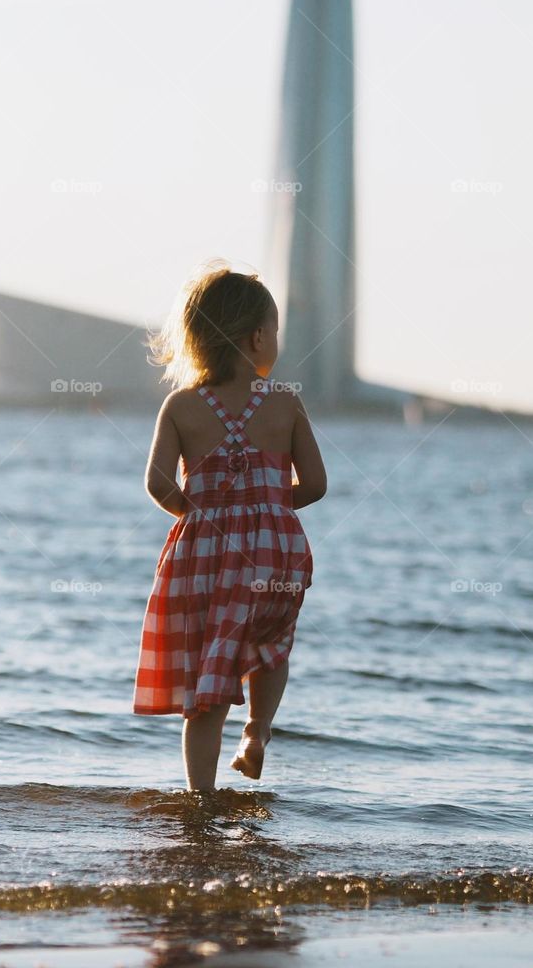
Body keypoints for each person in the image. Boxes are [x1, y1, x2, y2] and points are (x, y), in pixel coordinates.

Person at [132, 260, 327, 791]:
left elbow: (157, 483)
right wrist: (268, 504)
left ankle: (201, 797)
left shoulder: (181, 406)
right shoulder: (285, 403)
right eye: (276, 332)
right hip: (275, 553)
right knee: (273, 644)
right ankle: (257, 731)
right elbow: (315, 484)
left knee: (208, 678)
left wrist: (202, 515)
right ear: (258, 337)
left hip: (208, 557)